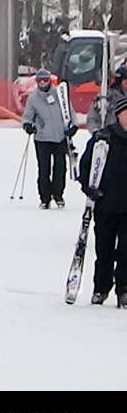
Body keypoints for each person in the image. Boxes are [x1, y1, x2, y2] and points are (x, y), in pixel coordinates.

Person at [80, 97, 127, 306]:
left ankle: (124, 290)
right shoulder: (103, 138)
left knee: (126, 251)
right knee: (104, 249)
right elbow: (86, 167)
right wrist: (88, 188)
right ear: (119, 115)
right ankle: (101, 287)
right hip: (106, 204)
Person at [22, 68, 76, 209]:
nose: (43, 83)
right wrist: (28, 125)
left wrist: (73, 126)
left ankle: (58, 194)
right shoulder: (33, 98)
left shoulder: (59, 94)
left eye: (45, 80)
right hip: (42, 138)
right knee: (43, 169)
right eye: (40, 81)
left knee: (60, 168)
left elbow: (69, 110)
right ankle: (45, 198)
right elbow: (28, 116)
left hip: (60, 136)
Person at [87, 65, 127, 133]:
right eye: (125, 80)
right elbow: (92, 119)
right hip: (111, 137)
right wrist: (97, 133)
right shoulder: (106, 96)